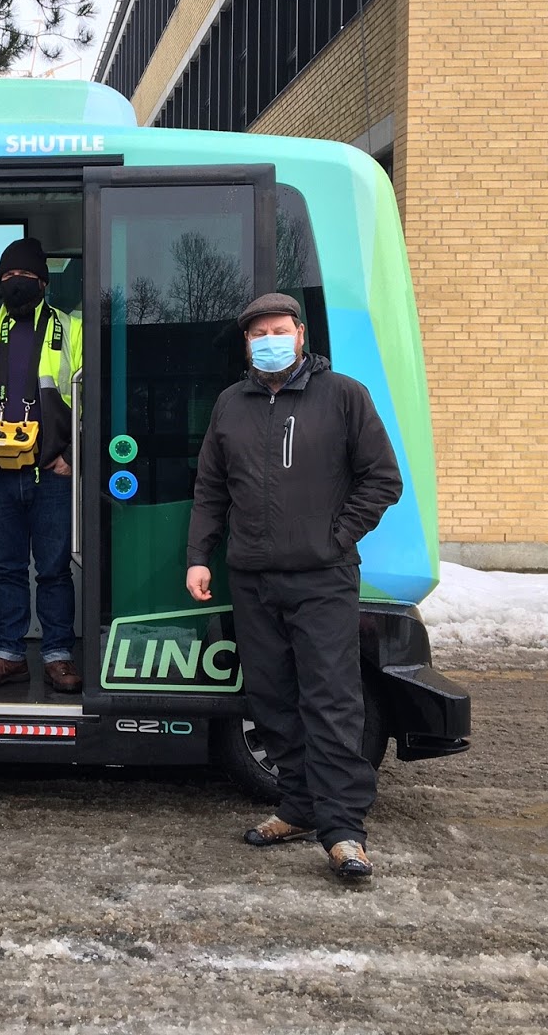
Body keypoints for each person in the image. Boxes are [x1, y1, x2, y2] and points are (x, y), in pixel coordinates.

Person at [185, 293, 402, 881]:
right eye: (259, 334)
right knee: (272, 699)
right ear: (247, 344)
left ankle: (344, 832)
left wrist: (337, 537)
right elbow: (210, 489)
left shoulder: (343, 397)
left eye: (279, 330)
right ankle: (300, 807)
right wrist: (199, 557)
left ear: (301, 336)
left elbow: (383, 479)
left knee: (331, 702)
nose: (269, 341)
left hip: (323, 580)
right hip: (252, 578)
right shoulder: (231, 405)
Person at [0, 238, 83, 692]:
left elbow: (91, 398)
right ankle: (8, 656)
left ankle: (58, 655)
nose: (15, 283)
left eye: (23, 276)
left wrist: (72, 456)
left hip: (53, 474)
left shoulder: (74, 331)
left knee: (53, 570)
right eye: (6, 277)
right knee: (5, 569)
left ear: (43, 282)